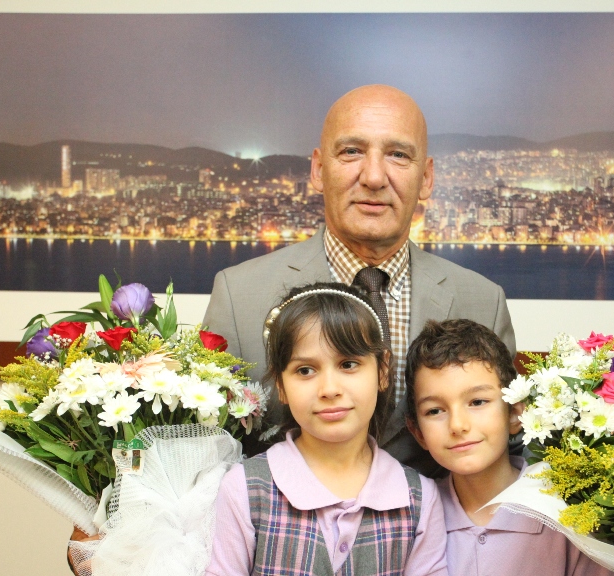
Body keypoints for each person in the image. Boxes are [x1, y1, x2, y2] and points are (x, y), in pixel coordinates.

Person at [202, 84, 515, 476]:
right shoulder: (238, 296)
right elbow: (207, 452)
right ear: (318, 170)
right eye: (352, 151)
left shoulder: (483, 301)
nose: (374, 177)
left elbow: (507, 453)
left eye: (398, 155)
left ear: (426, 178)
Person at [186, 283, 448, 576]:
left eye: (349, 364)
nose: (329, 389)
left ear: (382, 371)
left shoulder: (418, 499)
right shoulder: (246, 490)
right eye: (305, 370)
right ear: (280, 385)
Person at [404, 319, 614, 576]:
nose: (457, 425)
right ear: (417, 431)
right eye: (435, 411)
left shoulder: (568, 512)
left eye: (477, 402)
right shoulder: (415, 517)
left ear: (517, 412)